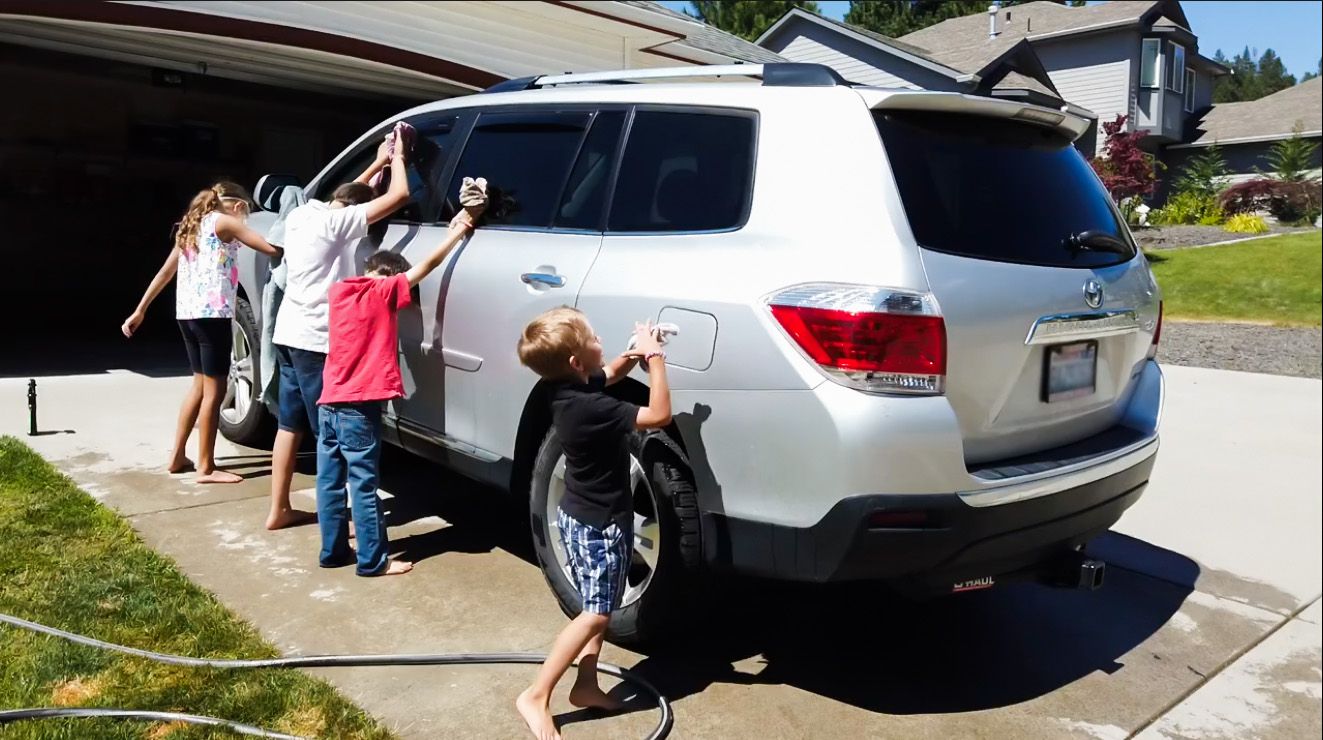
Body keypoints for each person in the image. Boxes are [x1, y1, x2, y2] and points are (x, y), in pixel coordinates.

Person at [514, 308, 673, 740]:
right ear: (574, 362)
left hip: (579, 516)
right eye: (593, 336)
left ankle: (585, 686)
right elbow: (658, 415)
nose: (599, 336)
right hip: (600, 527)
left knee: (594, 602)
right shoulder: (593, 408)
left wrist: (632, 353)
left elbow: (606, 373)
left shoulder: (562, 390)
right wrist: (655, 359)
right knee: (596, 615)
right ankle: (536, 694)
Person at [315, 186, 486, 576]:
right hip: (359, 406)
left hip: (329, 402)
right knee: (363, 482)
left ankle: (332, 551)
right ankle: (373, 561)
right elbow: (423, 268)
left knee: (331, 479)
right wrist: (456, 232)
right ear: (390, 278)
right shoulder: (382, 290)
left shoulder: (341, 291)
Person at [266, 131, 411, 530]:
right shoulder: (334, 225)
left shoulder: (303, 214)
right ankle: (341, 529)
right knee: (331, 440)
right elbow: (397, 197)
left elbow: (351, 195)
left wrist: (377, 163)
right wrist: (400, 158)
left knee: (289, 425)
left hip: (289, 334)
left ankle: (278, 509)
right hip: (317, 341)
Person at [122, 182, 281, 483]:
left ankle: (177, 455)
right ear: (237, 206)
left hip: (188, 316)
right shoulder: (225, 222)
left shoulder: (190, 229)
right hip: (213, 316)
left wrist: (141, 309)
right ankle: (206, 467)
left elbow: (165, 272)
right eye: (245, 212)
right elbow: (270, 248)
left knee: (198, 387)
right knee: (215, 392)